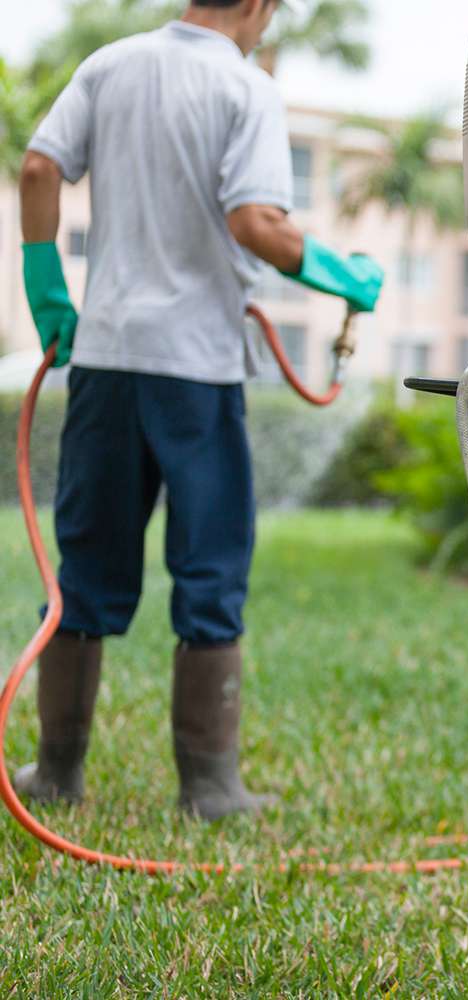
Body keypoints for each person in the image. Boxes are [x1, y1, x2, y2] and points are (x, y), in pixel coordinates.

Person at [13, 0, 383, 821]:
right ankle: (209, 787)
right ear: (256, 5)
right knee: (210, 564)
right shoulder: (243, 88)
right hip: (195, 370)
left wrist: (47, 286)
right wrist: (342, 274)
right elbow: (254, 221)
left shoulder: (111, 64)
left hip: (106, 361)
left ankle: (57, 774)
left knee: (86, 564)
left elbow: (38, 170)